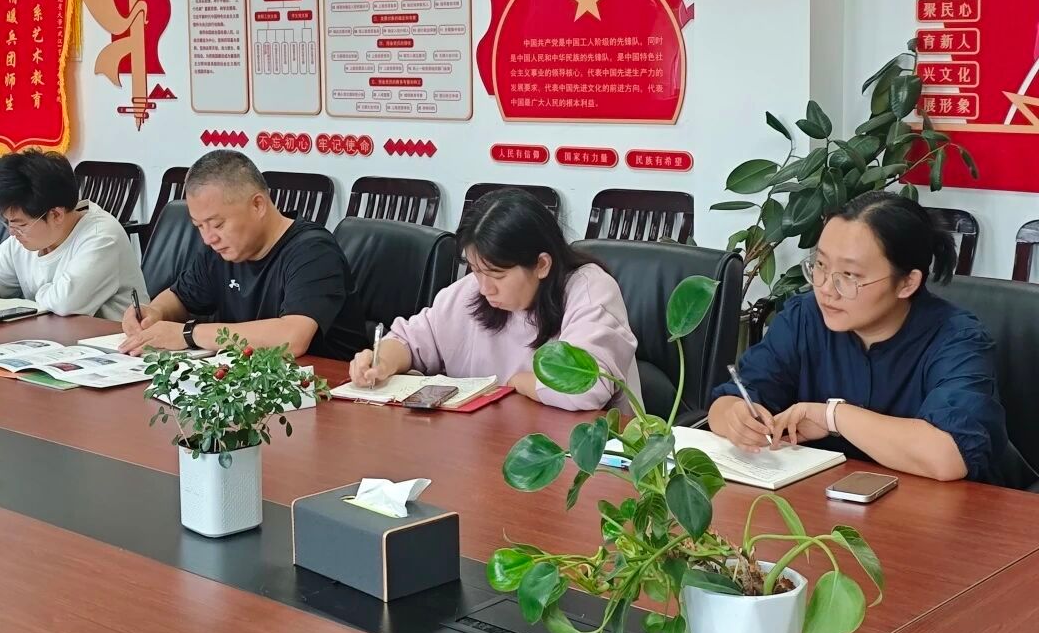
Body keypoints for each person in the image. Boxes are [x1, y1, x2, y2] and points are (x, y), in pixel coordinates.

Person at [709, 191, 1007, 483]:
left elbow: (949, 456)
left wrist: (832, 416)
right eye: (821, 266)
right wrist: (737, 418)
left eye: (849, 276)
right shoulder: (805, 317)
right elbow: (725, 404)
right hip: (820, 501)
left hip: (935, 508)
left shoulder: (957, 339)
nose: (826, 288)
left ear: (907, 283)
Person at [347, 189, 641, 413]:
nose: (485, 288)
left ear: (541, 265)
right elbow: (411, 340)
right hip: (489, 446)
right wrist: (381, 361)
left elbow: (584, 386)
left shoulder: (589, 290)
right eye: (476, 269)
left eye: (497, 274)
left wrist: (518, 382)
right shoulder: (471, 291)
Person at [118, 150, 366, 359]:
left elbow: (292, 338)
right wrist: (155, 313)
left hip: (324, 388)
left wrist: (187, 334)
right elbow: (180, 297)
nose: (208, 238)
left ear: (258, 205)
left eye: (217, 224)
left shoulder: (313, 251)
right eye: (199, 226)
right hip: (245, 384)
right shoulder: (221, 251)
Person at [0, 150, 147, 321]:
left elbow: (65, 304)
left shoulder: (103, 237)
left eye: (20, 224)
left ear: (56, 215)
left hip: (113, 340)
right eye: (8, 222)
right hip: (50, 337)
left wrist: (27, 297)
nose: (11, 232)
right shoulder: (25, 238)